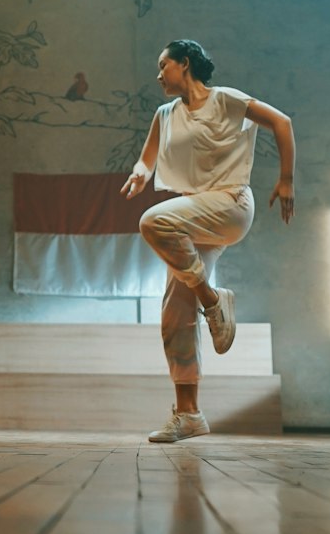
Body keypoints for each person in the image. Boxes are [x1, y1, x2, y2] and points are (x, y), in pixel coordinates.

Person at [121, 39, 295, 443]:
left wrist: (286, 180)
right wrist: (139, 174)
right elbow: (147, 158)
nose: (158, 74)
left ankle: (213, 301)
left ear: (185, 64)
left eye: (164, 65)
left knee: (152, 221)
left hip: (231, 202)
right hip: (196, 215)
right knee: (173, 312)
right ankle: (189, 414)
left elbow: (282, 123)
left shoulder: (226, 100)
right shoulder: (165, 115)